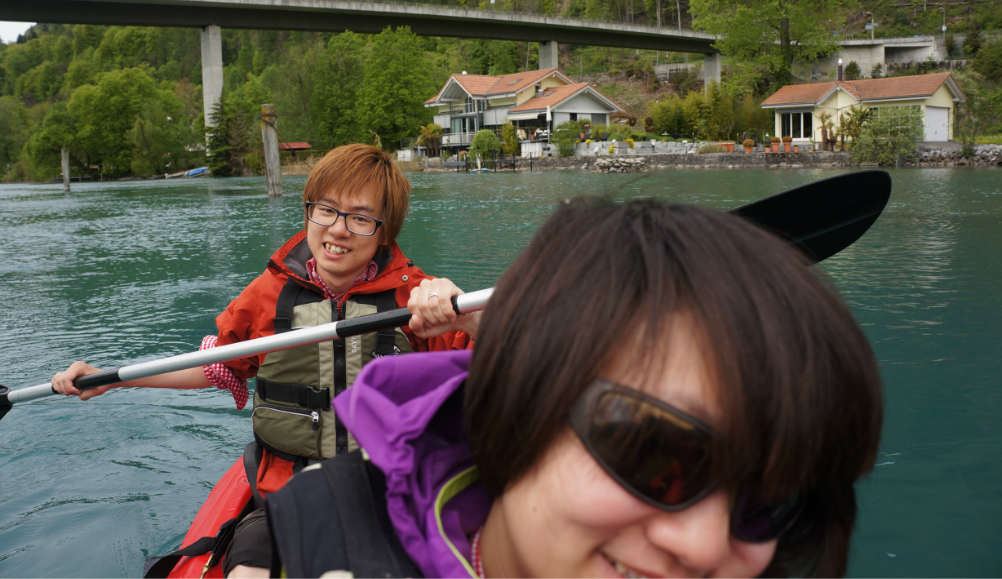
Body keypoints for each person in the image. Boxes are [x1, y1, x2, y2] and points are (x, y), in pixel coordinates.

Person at [266, 197, 883, 578]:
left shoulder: (416, 288)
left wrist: (463, 318)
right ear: (518, 408)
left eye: (768, 497)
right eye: (648, 451)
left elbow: (477, 343)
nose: (704, 547)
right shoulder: (275, 290)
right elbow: (232, 345)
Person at [51, 144, 479, 578]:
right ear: (309, 211)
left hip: (386, 492)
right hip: (283, 494)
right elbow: (218, 365)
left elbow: (500, 364)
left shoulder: (417, 297)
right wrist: (114, 379)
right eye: (326, 210)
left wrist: (468, 316)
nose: (338, 229)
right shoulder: (269, 294)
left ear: (385, 232)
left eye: (361, 218)